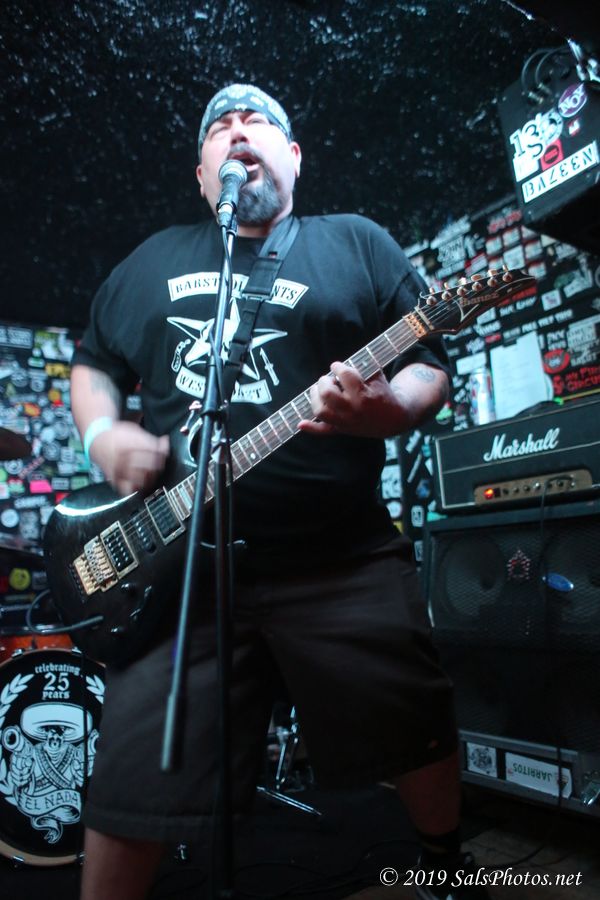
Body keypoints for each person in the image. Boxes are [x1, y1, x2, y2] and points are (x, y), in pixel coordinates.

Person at [70, 84, 488, 900]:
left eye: (255, 122)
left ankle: (445, 865)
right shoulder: (150, 261)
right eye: (218, 129)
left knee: (414, 718)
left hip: (341, 558)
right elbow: (93, 365)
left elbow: (426, 364)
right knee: (131, 778)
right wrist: (102, 436)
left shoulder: (355, 243)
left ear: (293, 158)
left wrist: (387, 411)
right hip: (181, 575)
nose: (237, 132)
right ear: (202, 175)